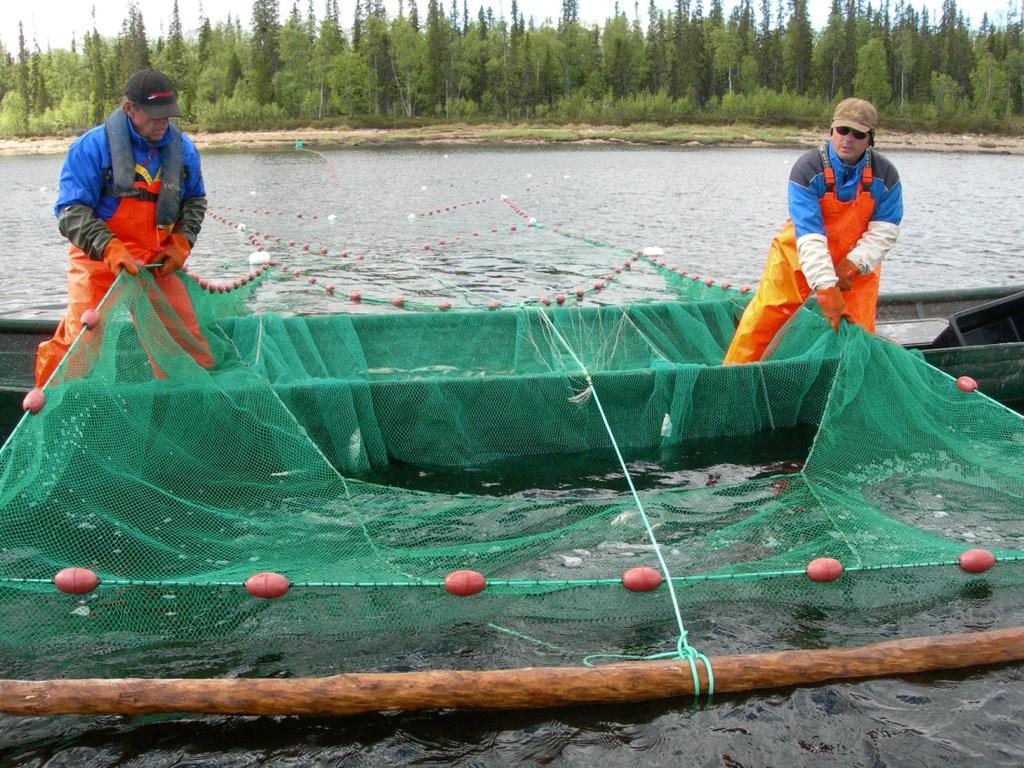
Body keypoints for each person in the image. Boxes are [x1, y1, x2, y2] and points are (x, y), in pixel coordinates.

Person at [35, 69, 211, 386]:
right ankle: (51, 409)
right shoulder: (90, 148)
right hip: (99, 263)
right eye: (155, 114)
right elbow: (70, 211)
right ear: (129, 108)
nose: (163, 122)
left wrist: (181, 242)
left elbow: (195, 201)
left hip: (157, 262)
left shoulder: (183, 150)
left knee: (185, 340)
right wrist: (109, 248)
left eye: (168, 114)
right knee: (81, 343)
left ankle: (188, 403)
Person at [722, 97, 903, 365]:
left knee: (856, 335)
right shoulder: (808, 169)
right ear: (831, 131)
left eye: (858, 134)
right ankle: (731, 380)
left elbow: (885, 231)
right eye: (842, 130)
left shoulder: (886, 176)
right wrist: (826, 284)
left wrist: (852, 265)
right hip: (797, 259)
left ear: (870, 139)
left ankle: (837, 388)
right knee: (763, 320)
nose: (848, 139)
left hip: (856, 270)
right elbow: (809, 234)